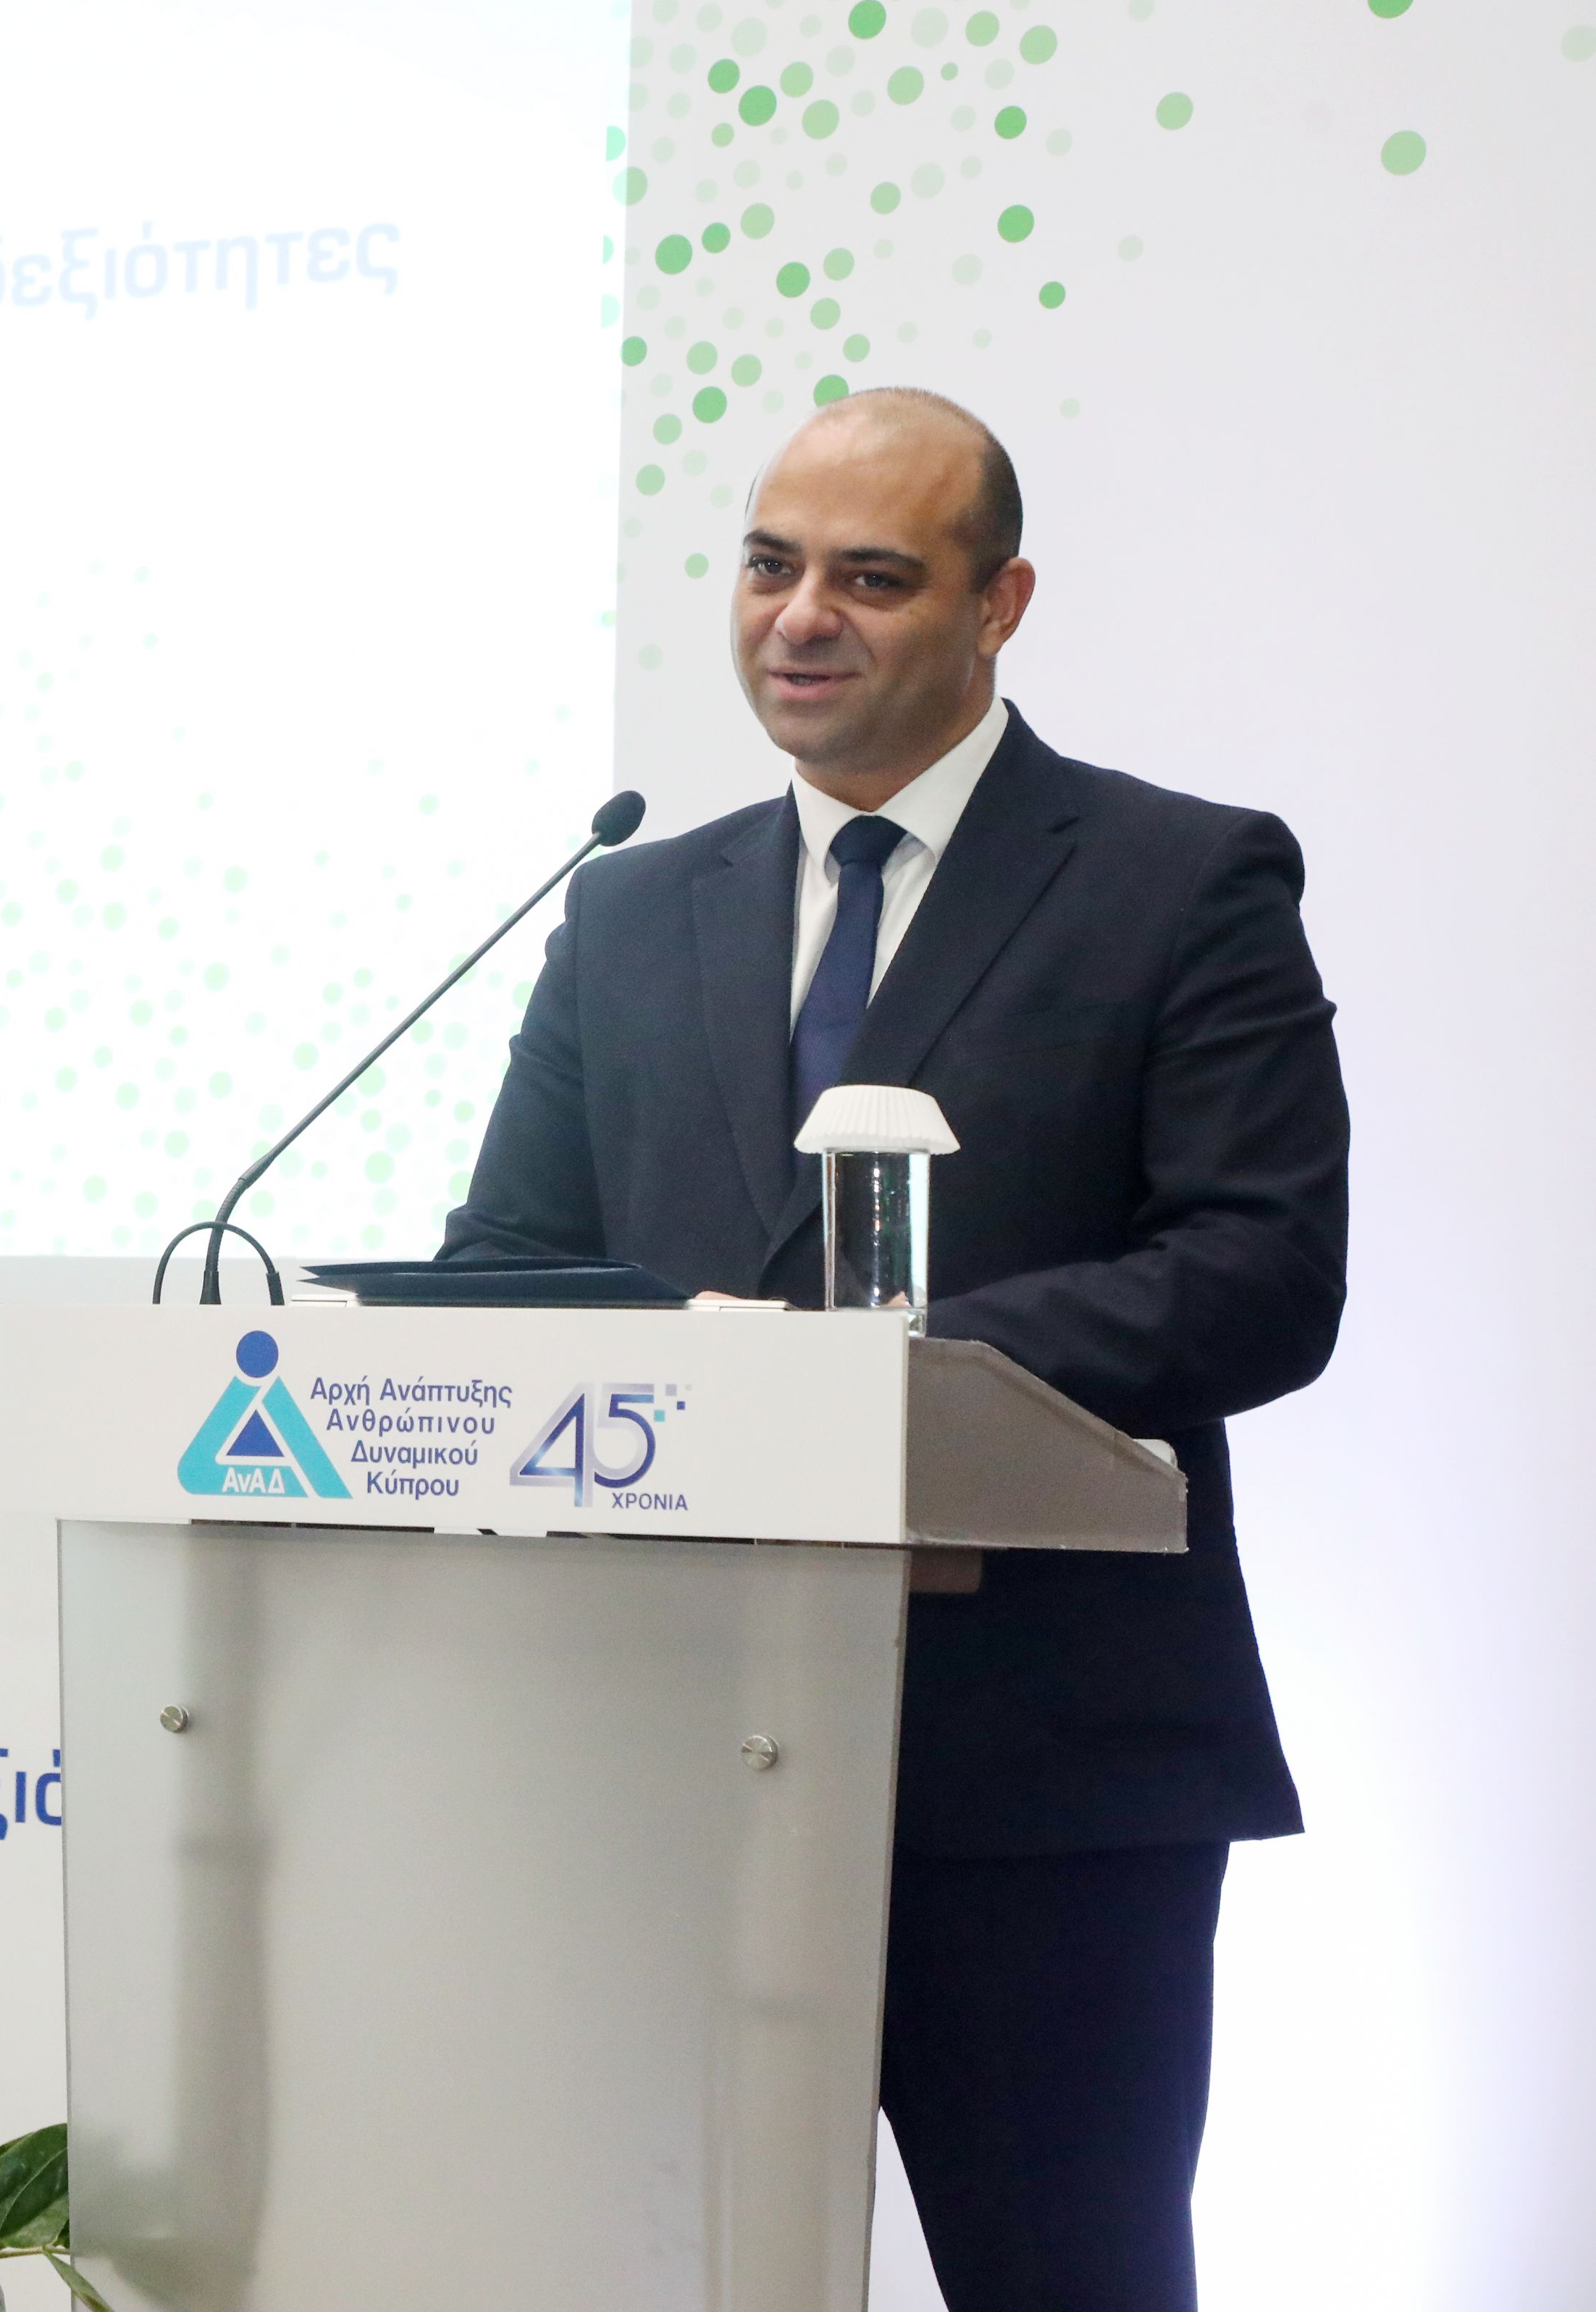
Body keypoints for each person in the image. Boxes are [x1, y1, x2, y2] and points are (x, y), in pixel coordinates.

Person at [442, 389, 1350, 2311]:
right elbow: (509, 1266)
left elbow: (1261, 1274)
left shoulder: (1178, 880)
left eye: (870, 577)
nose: (801, 618)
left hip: (1043, 1781)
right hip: (666, 1760)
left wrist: (856, 1367)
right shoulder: (628, 907)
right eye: (769, 567)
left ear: (998, 603)